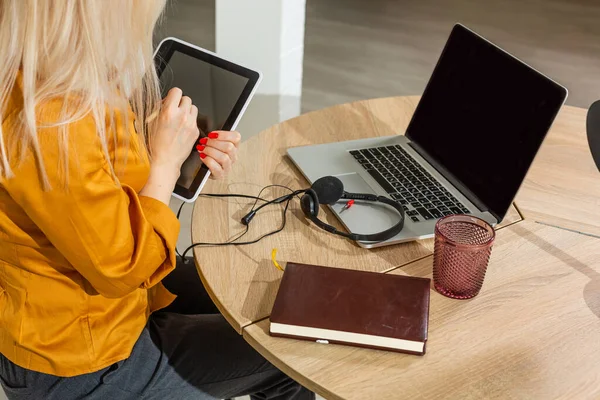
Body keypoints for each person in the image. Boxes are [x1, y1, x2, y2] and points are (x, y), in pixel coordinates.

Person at [0, 1, 314, 399]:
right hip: (84, 365)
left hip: (91, 316)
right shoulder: (53, 117)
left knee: (269, 297)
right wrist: (165, 164)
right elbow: (125, 266)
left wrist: (159, 149)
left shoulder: (46, 73)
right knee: (289, 356)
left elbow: (88, 194)